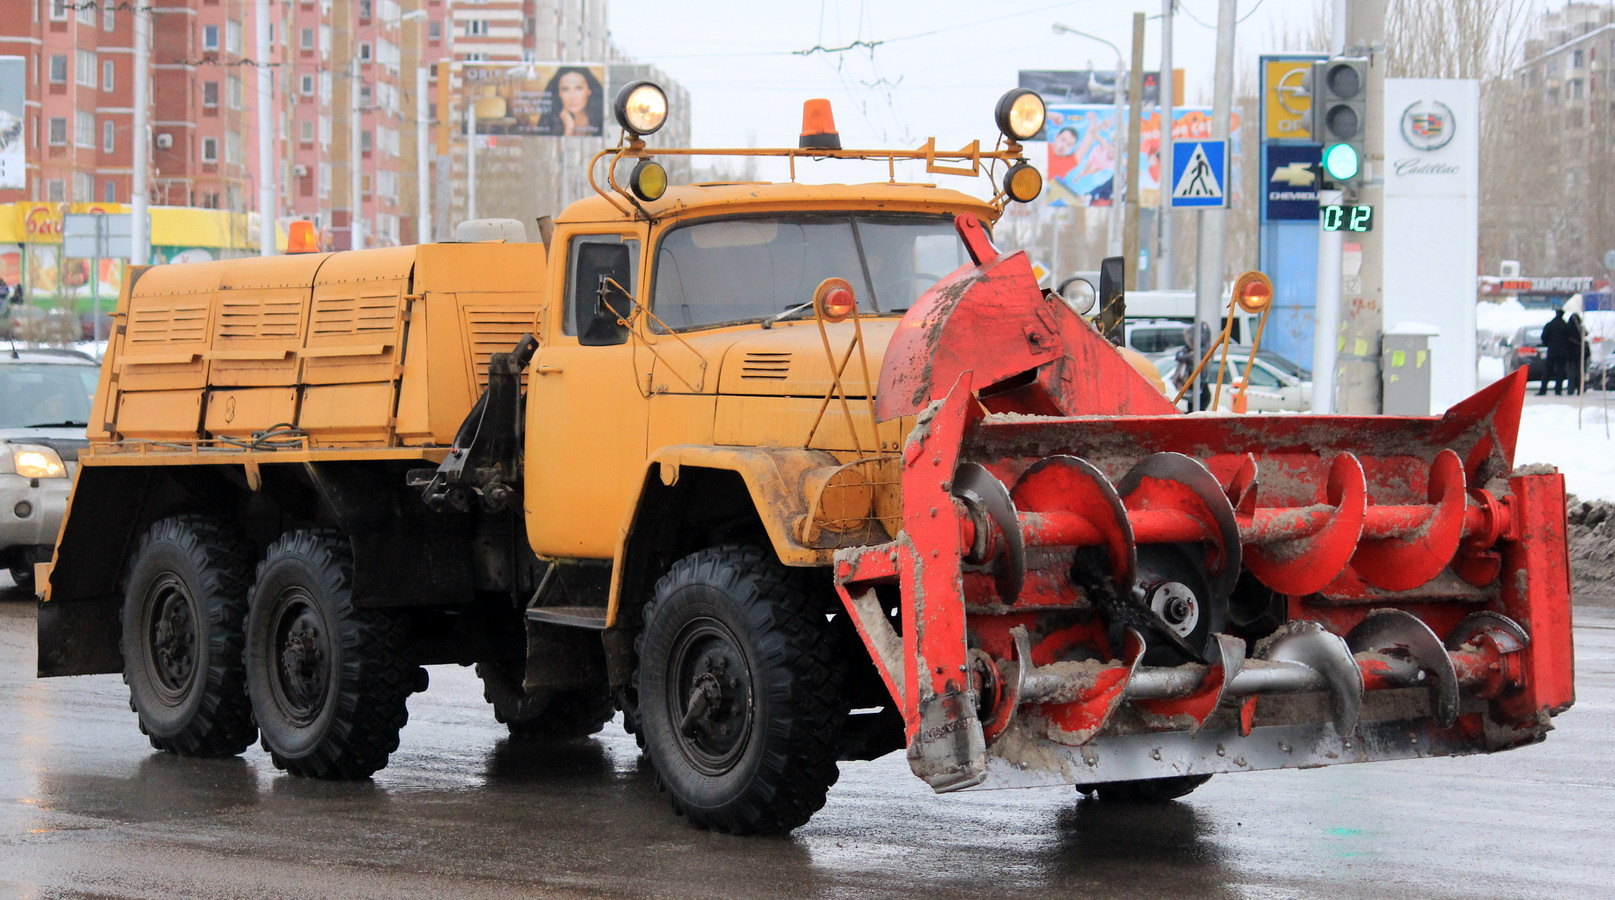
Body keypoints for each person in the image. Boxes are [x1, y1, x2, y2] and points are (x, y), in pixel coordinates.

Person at [538, 67, 604, 137]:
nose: (572, 97)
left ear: (589, 91)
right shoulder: (550, 124)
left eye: (578, 88)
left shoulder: (601, 121)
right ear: (558, 93)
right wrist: (569, 128)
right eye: (565, 89)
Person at [1540, 308, 1574, 396]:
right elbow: (1570, 338)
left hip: (1552, 351)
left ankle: (1543, 390)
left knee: (1548, 371)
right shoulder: (1565, 325)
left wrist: (1548, 344)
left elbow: (1544, 337)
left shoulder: (1550, 325)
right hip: (1563, 352)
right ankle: (1558, 390)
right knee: (1560, 371)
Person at [1568, 312, 1587, 395]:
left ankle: (1571, 390)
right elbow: (1586, 334)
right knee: (1580, 372)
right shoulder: (1581, 328)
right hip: (1580, 353)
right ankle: (1580, 389)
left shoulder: (1567, 328)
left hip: (1570, 353)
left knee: (1571, 373)